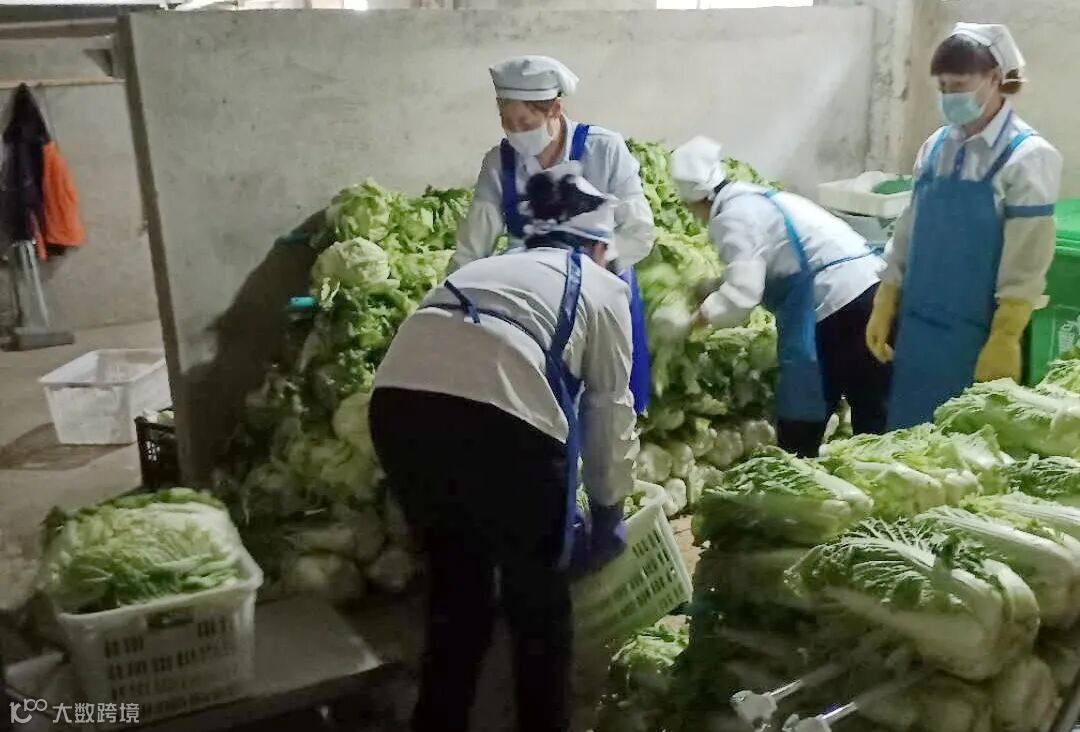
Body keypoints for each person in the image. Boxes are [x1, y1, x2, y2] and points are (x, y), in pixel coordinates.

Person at [369, 170, 638, 732]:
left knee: (456, 586)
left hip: (398, 409)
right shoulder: (601, 286)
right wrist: (609, 507)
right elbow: (608, 409)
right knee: (537, 601)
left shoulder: (485, 268)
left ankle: (438, 722)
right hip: (502, 421)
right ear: (597, 246)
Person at [865, 23, 1063, 430]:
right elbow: (909, 228)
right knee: (904, 443)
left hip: (976, 336)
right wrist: (887, 296)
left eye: (958, 85)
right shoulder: (935, 146)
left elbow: (1028, 258)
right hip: (918, 330)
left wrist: (1005, 336)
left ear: (995, 79)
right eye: (942, 87)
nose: (949, 96)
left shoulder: (1027, 158)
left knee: (960, 444)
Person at [450, 54, 655, 414]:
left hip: (601, 284)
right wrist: (450, 299)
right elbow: (473, 245)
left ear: (555, 110)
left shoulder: (603, 149)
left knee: (606, 397)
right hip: (532, 291)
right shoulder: (499, 163)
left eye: (526, 122)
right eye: (507, 122)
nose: (516, 132)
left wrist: (600, 263)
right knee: (537, 400)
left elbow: (638, 230)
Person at [669, 136, 890, 458]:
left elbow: (743, 293)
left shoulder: (732, 217)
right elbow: (763, 264)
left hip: (838, 301)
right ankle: (865, 469)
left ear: (695, 201)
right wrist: (711, 288)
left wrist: (693, 321)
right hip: (868, 288)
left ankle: (798, 466)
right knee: (870, 400)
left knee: (808, 393)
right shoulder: (752, 198)